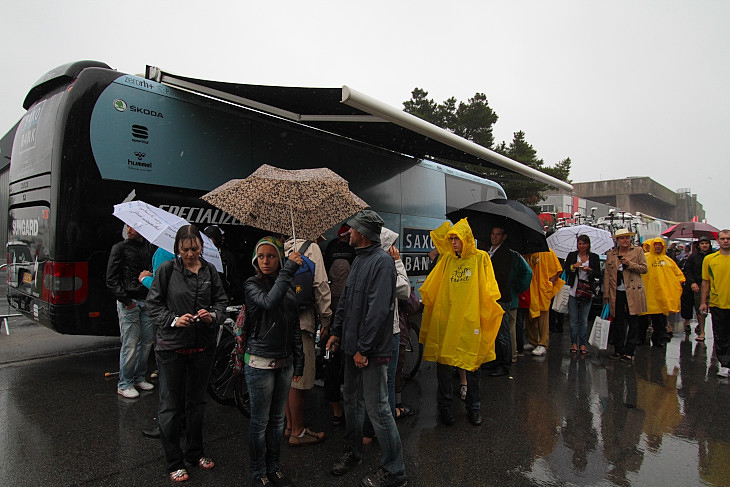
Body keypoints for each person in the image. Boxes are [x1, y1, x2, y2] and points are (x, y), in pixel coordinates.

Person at [326, 209, 407, 487]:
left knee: (379, 409)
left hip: (369, 351)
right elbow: (347, 299)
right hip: (352, 347)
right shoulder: (359, 260)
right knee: (352, 402)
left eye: (352, 228)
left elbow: (378, 311)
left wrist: (364, 348)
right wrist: (336, 332)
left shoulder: (382, 262)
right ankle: (354, 452)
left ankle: (395, 471)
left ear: (363, 233)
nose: (348, 232)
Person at [146, 225, 228, 482]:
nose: (191, 254)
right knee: (170, 406)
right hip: (171, 348)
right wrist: (173, 320)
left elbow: (222, 303)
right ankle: (174, 461)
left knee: (197, 403)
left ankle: (195, 452)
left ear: (202, 247)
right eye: (185, 249)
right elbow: (153, 304)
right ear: (177, 249)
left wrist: (212, 315)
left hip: (202, 346)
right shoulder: (166, 270)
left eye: (195, 248)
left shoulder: (210, 271)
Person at [419, 218, 503, 427]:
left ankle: (473, 408)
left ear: (466, 238)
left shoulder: (481, 258)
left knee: (472, 366)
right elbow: (433, 286)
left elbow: (488, 289)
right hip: (447, 320)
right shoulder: (447, 260)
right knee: (444, 365)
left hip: (470, 321)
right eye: (451, 238)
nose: (454, 242)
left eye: (457, 238)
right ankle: (445, 407)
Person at [242, 236, 304, 487]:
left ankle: (273, 468)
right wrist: (289, 268)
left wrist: (299, 359)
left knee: (278, 420)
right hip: (259, 360)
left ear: (278, 258)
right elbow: (269, 302)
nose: (266, 261)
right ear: (255, 260)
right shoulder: (251, 284)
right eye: (261, 256)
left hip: (285, 361)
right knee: (260, 422)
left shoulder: (287, 282)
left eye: (271, 256)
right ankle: (259, 474)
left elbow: (294, 324)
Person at [362, 226, 411, 444]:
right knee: (387, 384)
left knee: (369, 386)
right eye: (392, 245)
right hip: (386, 332)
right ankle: (384, 434)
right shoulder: (386, 266)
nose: (396, 249)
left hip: (368, 331)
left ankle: (367, 431)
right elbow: (404, 290)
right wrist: (398, 262)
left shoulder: (365, 262)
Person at [283, 237, 332, 446]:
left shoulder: (281, 247)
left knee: (287, 375)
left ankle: (288, 425)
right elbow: (321, 285)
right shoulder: (311, 248)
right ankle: (298, 431)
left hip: (283, 320)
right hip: (303, 321)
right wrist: (326, 318)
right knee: (299, 378)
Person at [106, 225, 154, 399]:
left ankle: (139, 377)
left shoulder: (150, 248)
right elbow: (111, 279)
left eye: (134, 227)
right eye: (127, 226)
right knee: (131, 343)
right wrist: (126, 301)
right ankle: (124, 383)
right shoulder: (120, 248)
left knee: (147, 341)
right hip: (130, 302)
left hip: (146, 301)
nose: (129, 229)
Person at [484, 225, 532, 375]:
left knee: (503, 332)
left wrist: (515, 288)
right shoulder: (488, 252)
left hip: (502, 297)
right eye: (493, 233)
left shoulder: (509, 254)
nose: (494, 237)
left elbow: (527, 273)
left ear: (504, 236)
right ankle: (494, 360)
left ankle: (504, 364)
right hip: (490, 297)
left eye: (498, 234)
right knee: (493, 332)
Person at [603, 228, 648, 362]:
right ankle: (618, 350)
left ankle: (629, 351)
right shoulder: (611, 254)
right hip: (616, 292)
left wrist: (630, 264)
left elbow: (644, 268)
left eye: (627, 238)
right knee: (618, 321)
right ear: (617, 240)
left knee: (633, 321)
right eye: (622, 238)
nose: (625, 241)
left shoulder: (638, 251)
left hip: (633, 291)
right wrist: (606, 295)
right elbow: (607, 275)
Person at [637, 238, 685, 348]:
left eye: (660, 245)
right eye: (656, 245)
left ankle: (658, 340)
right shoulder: (645, 258)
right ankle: (640, 338)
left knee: (659, 321)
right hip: (647, 294)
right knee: (642, 319)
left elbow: (679, 275)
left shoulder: (668, 261)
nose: (658, 247)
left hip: (661, 296)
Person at [563, 235, 601, 354]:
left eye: (584, 244)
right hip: (573, 290)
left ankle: (583, 344)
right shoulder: (572, 256)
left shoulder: (594, 257)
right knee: (573, 319)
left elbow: (598, 273)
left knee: (584, 320)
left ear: (588, 245)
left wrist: (590, 271)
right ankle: (574, 343)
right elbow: (566, 270)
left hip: (587, 291)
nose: (582, 246)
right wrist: (573, 267)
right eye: (579, 243)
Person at [700, 229, 730, 378]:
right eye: (723, 239)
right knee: (721, 335)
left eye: (728, 238)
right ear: (718, 241)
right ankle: (725, 364)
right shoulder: (710, 259)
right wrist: (703, 302)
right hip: (718, 303)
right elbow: (705, 282)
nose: (726, 241)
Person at [524, 249, 564, 356]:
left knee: (543, 317)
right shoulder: (527, 253)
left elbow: (556, 269)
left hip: (542, 289)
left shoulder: (548, 252)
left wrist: (550, 283)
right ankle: (533, 341)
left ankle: (543, 343)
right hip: (530, 289)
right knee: (530, 316)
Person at [684, 236, 715, 341]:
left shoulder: (714, 256)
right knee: (700, 308)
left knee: (716, 310)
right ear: (699, 245)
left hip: (715, 286)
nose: (704, 245)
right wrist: (692, 283)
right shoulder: (693, 257)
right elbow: (688, 270)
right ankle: (702, 331)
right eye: (702, 243)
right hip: (699, 285)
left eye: (706, 243)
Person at [203, 225, 243, 304]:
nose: (206, 240)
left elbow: (234, 281)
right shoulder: (199, 255)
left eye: (209, 238)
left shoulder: (228, 257)